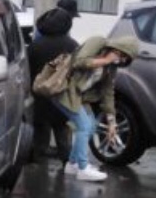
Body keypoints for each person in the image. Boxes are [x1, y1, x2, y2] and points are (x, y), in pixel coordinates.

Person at [51, 33, 140, 182]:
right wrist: (105, 60)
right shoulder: (97, 42)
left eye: (124, 60)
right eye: (122, 56)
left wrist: (112, 122)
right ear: (118, 49)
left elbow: (108, 93)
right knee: (84, 126)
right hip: (64, 89)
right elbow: (78, 62)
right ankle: (82, 168)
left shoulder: (111, 67)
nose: (121, 61)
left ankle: (72, 165)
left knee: (91, 127)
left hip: (79, 96)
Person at [26, 0, 79, 162]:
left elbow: (28, 70)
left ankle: (35, 164)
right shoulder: (72, 46)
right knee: (63, 135)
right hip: (62, 98)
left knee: (39, 134)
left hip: (40, 98)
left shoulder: (35, 45)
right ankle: (67, 164)